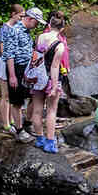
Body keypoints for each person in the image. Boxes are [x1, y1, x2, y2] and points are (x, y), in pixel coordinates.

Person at [25, 12, 67, 153]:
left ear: (49, 25)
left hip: (37, 78)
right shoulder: (59, 45)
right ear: (62, 29)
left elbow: (35, 56)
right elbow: (55, 67)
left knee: (37, 110)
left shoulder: (40, 37)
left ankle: (39, 139)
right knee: (51, 111)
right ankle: (49, 143)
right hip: (50, 80)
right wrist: (54, 86)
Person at [2, 7, 44, 142]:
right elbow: (9, 55)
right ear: (30, 19)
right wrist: (13, 75)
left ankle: (27, 123)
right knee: (17, 101)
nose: (36, 25)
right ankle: (19, 130)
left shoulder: (27, 32)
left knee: (33, 96)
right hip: (16, 68)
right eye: (36, 22)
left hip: (28, 69)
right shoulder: (14, 30)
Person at [0, 4, 26, 137]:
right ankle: (6, 124)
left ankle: (11, 120)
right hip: (4, 63)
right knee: (5, 96)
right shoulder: (5, 28)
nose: (22, 18)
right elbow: (2, 49)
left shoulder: (17, 28)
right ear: (13, 14)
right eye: (20, 16)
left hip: (12, 64)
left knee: (11, 96)